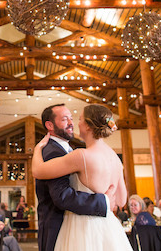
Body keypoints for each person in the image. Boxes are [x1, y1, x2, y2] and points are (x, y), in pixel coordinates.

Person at [32, 104, 132, 251]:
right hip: (108, 226)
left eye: (77, 119)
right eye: (67, 119)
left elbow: (37, 170)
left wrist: (36, 150)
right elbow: (122, 200)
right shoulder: (114, 157)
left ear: (88, 126)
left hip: (82, 227)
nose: (74, 123)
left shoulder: (81, 155)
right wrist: (105, 200)